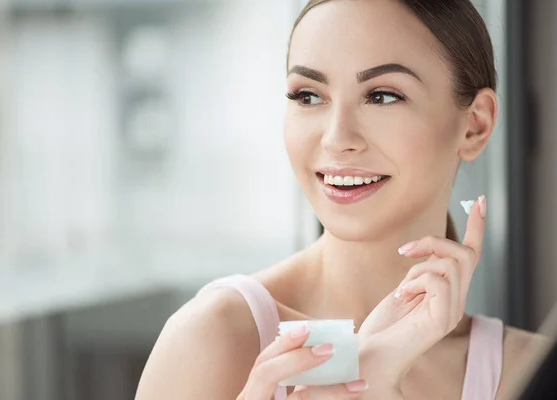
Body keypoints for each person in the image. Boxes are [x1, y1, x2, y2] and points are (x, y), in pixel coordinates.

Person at [135, 0, 547, 398]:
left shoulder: (525, 371)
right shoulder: (213, 342)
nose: (336, 139)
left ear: (475, 125)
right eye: (308, 96)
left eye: (382, 95)